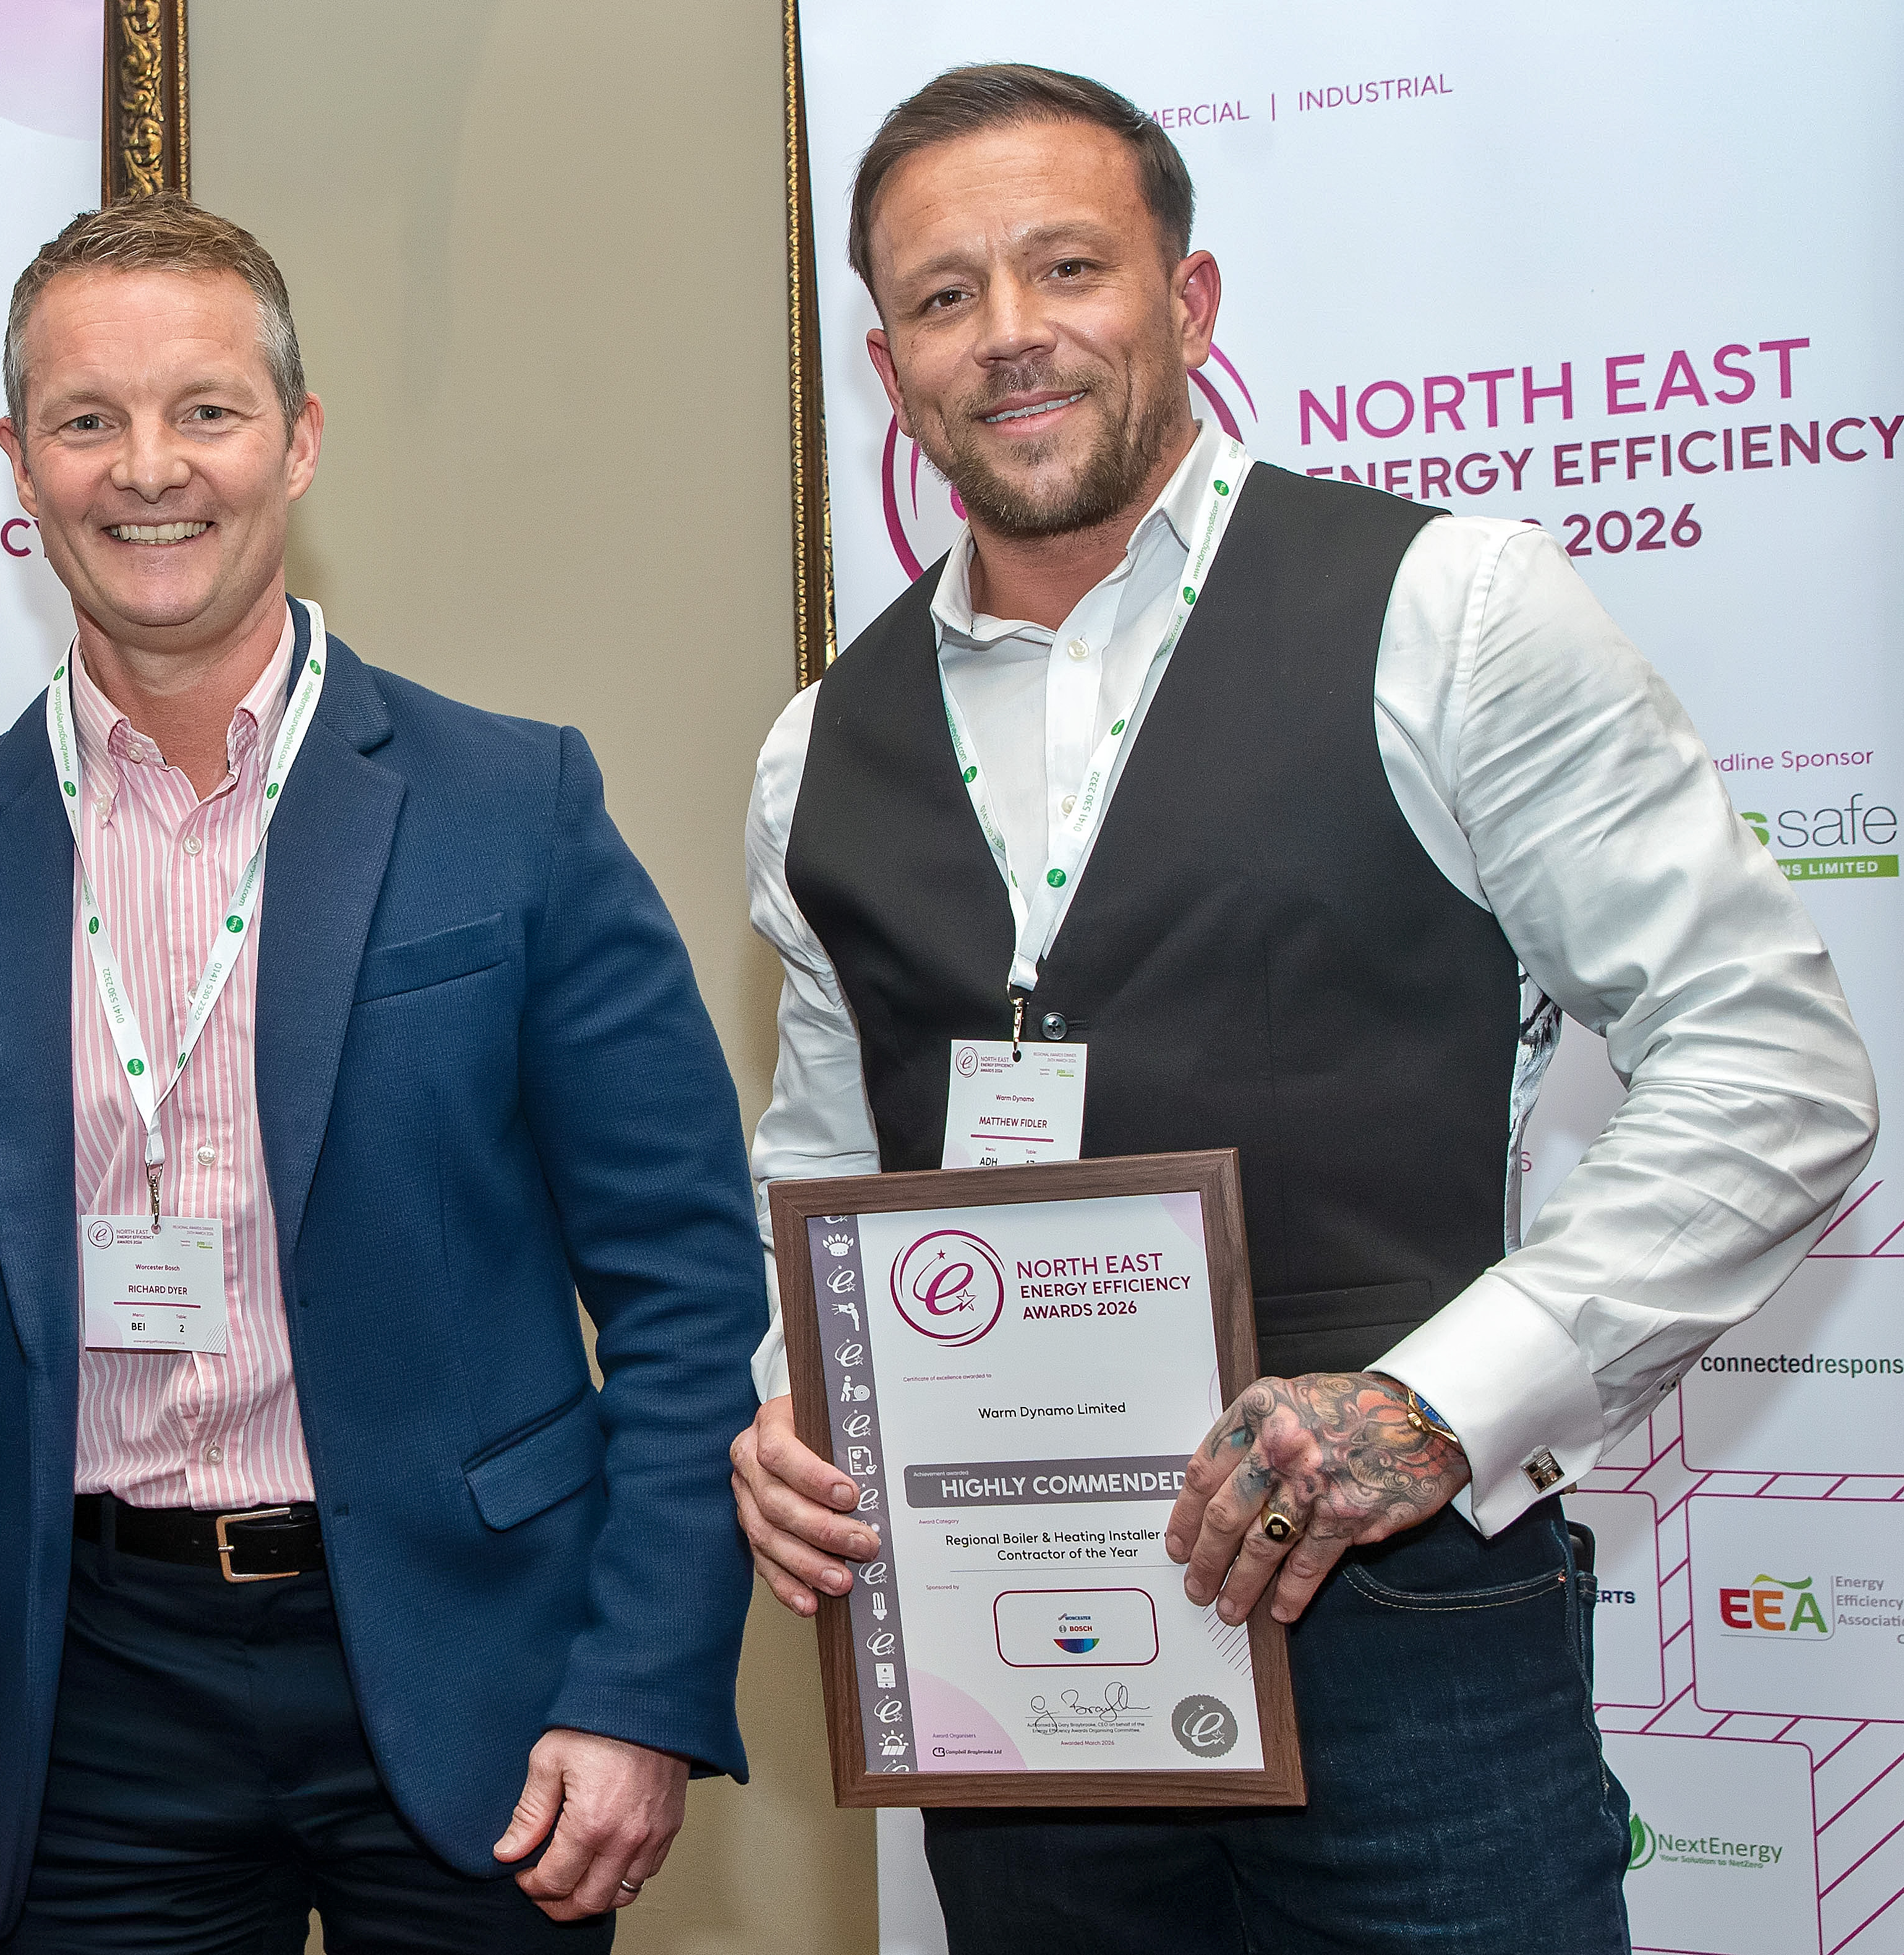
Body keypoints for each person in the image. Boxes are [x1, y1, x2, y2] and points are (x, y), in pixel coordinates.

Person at [727, 64, 1876, 1954]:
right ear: (888, 365)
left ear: (1188, 303)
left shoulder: (1452, 612)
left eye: (1066, 267)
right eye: (943, 294)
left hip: (1408, 1635)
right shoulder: (815, 750)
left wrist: (1438, 1406)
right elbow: (828, 1157)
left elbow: (1775, 1064)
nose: (1007, 332)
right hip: (1023, 1685)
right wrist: (792, 1400)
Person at [0, 195, 762, 1952]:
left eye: (206, 409)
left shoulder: (516, 809)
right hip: (87, 1709)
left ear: (300, 439)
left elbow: (688, 1285)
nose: (149, 468)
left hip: (483, 1675)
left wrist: (642, 1681)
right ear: (15, 466)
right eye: (87, 419)